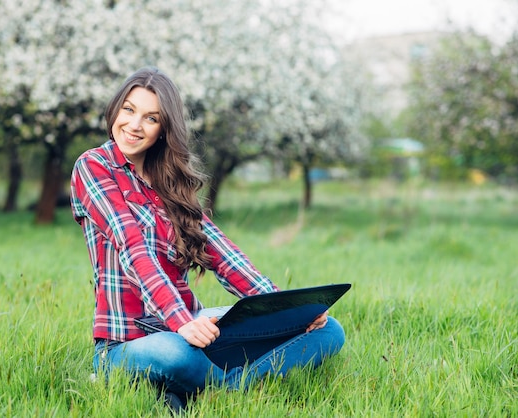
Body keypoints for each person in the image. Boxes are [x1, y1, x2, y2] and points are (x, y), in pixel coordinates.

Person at [70, 67, 345, 413]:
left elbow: (224, 255)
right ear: (115, 110)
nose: (135, 125)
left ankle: (190, 389)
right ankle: (217, 387)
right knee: (176, 355)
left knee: (326, 331)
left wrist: (286, 310)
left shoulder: (168, 182)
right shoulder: (93, 166)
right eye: (129, 110)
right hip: (128, 342)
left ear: (163, 129)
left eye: (150, 118)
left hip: (191, 325)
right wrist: (181, 322)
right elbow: (133, 247)